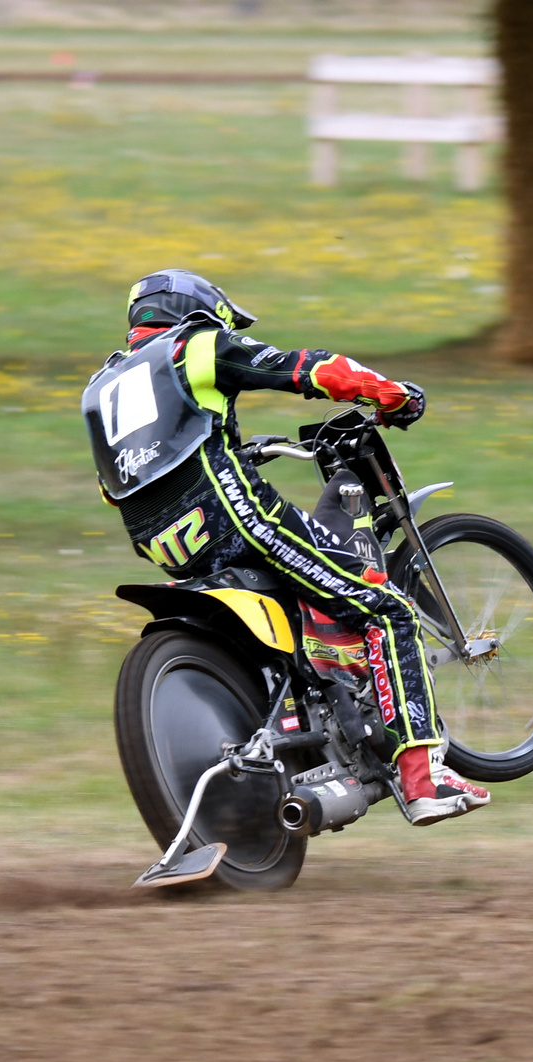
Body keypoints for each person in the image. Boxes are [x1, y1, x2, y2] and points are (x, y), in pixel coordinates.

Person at [82, 269, 489, 825]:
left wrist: (228, 452)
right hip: (241, 523)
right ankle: (423, 780)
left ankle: (317, 706)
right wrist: (389, 394)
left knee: (303, 607)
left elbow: (115, 488)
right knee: (388, 609)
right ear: (197, 311)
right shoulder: (194, 347)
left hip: (169, 548)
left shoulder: (100, 388)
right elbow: (308, 369)